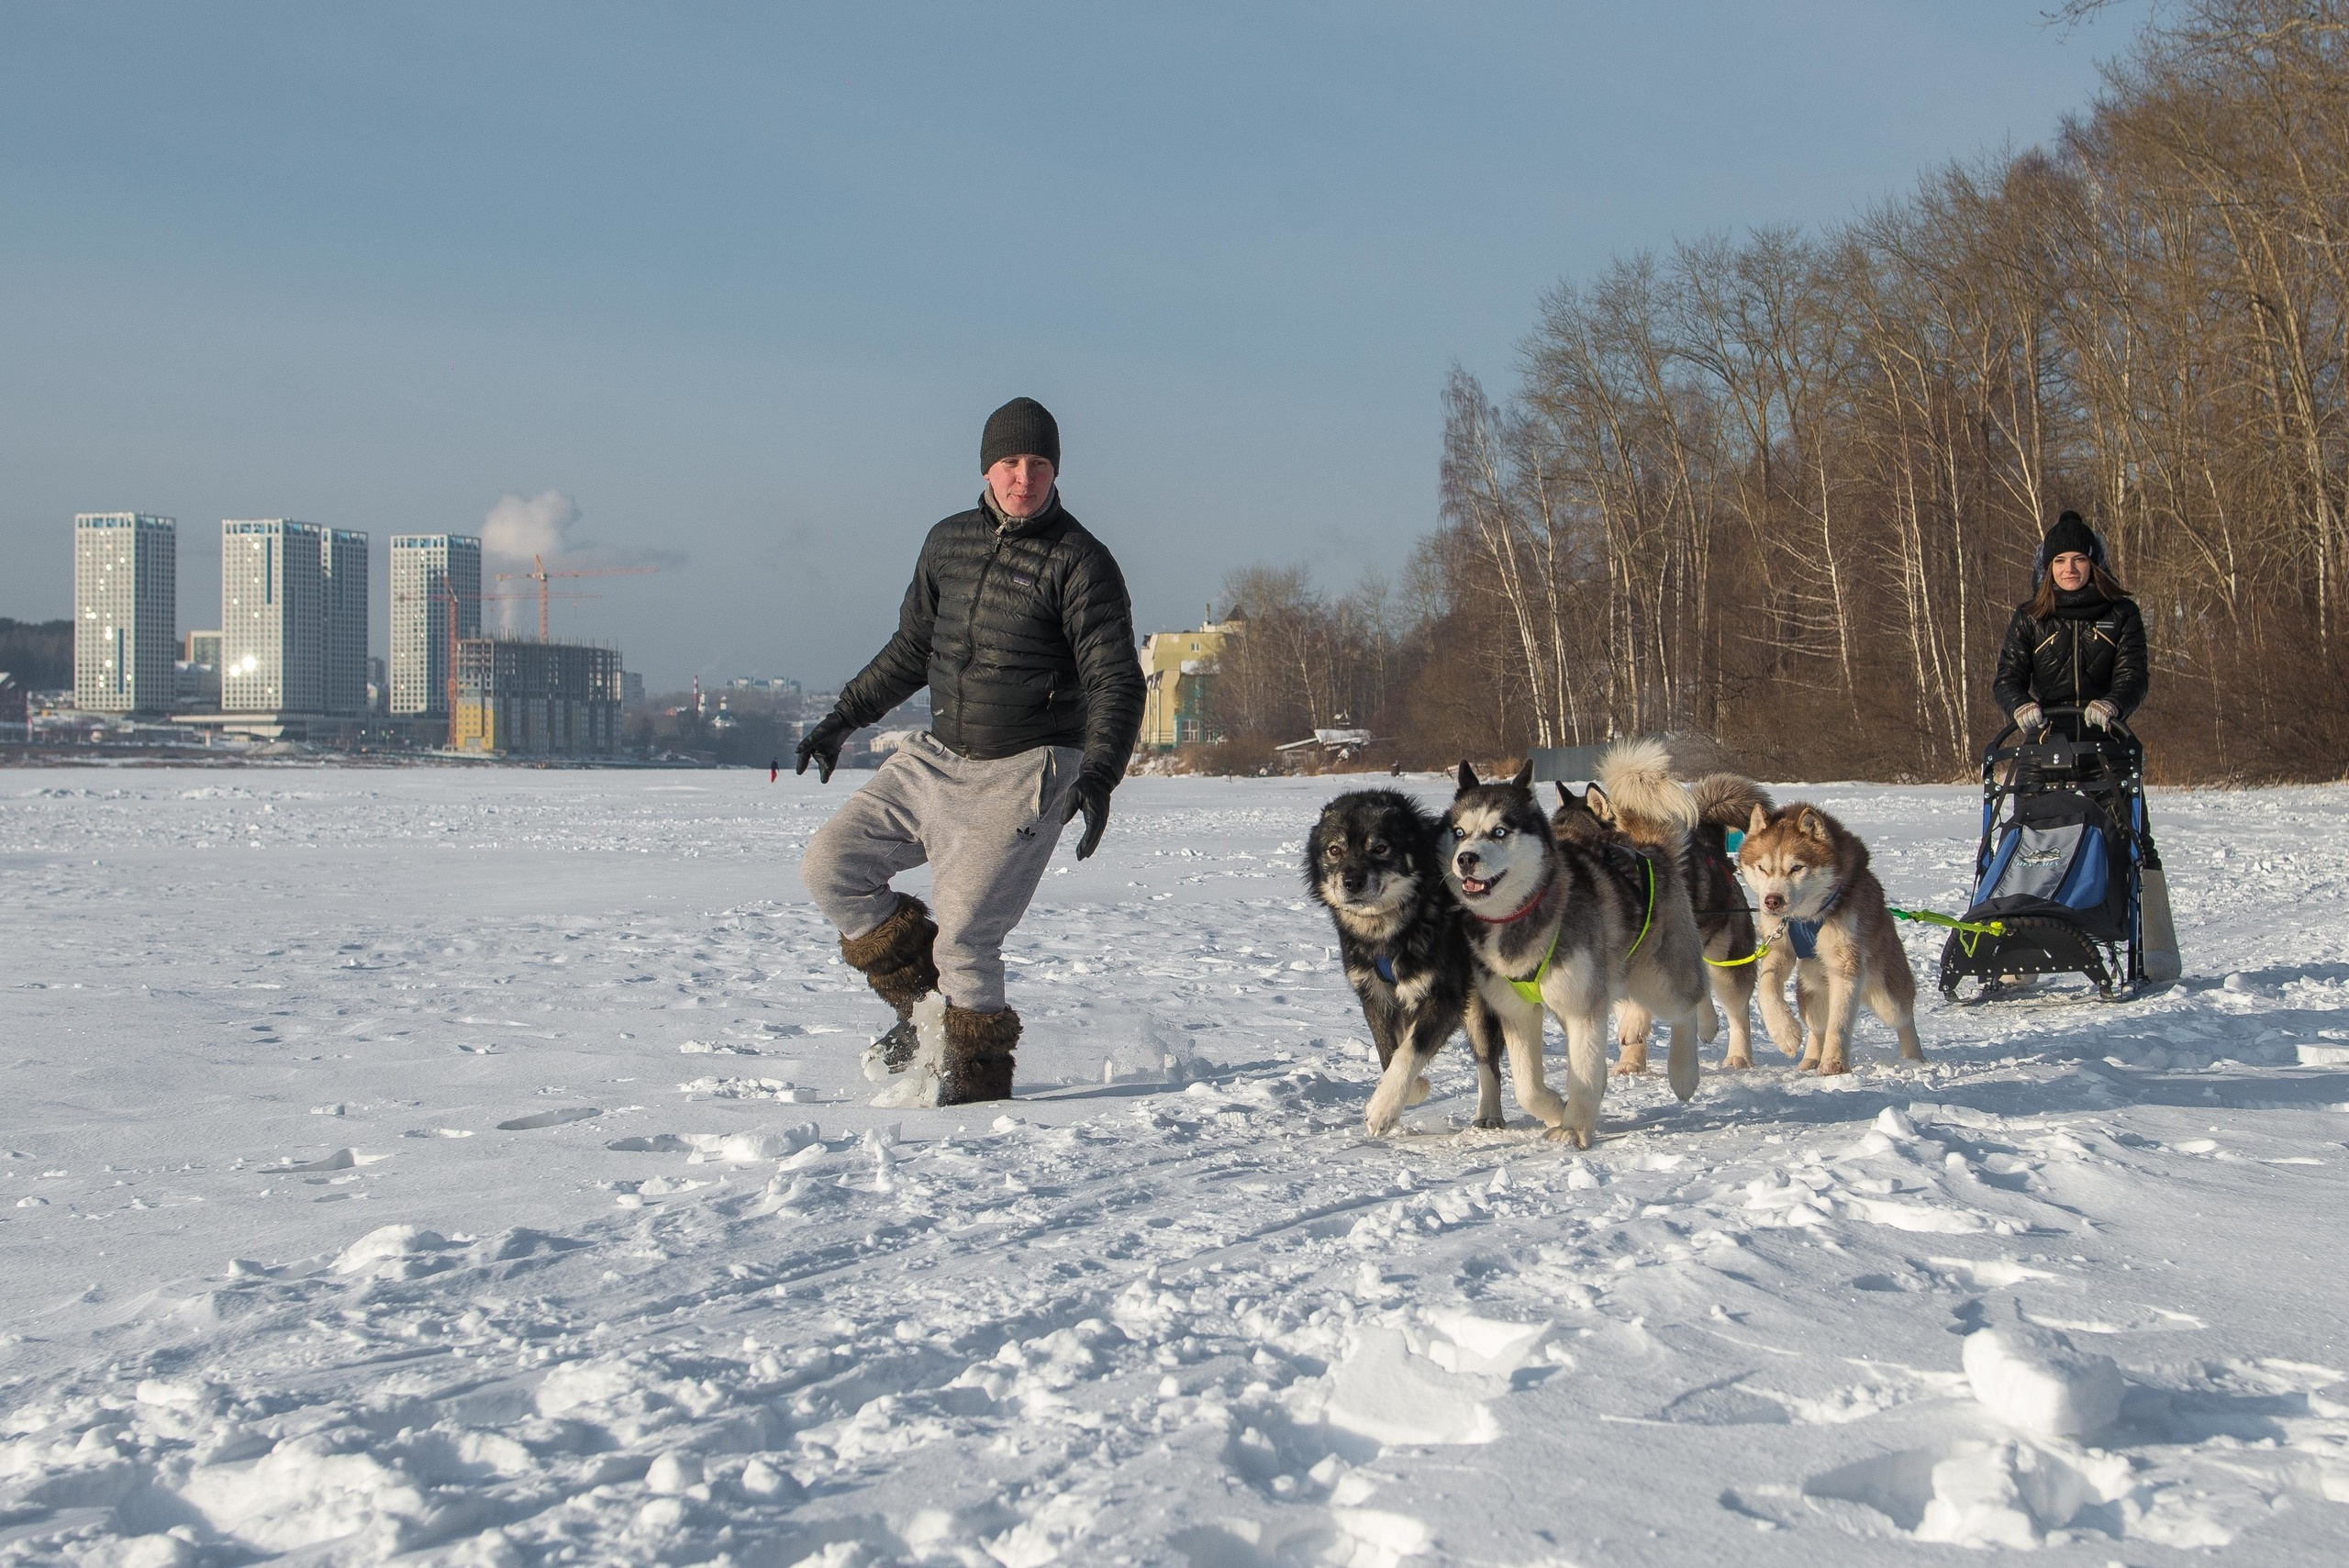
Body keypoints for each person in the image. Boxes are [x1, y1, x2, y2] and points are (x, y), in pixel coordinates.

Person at [794, 397, 1145, 1104]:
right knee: (831, 867)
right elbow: (912, 650)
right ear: (987, 466)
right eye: (1011, 462)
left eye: (1039, 463)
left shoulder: (1081, 562)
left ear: (1055, 471)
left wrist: (1100, 773)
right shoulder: (946, 542)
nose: (1024, 477)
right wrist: (842, 719)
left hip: (1027, 769)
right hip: (937, 757)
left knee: (964, 940)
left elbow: (1115, 678)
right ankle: (927, 1014)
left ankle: (975, 1095)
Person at [1993, 510, 2148, 742]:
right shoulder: (2030, 617)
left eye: (2080, 559)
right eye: (2060, 560)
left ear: (2093, 564)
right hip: (2044, 745)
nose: (2070, 569)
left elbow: (2133, 676)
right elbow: (2008, 678)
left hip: (2106, 745)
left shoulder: (2122, 613)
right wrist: (2021, 705)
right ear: (2048, 568)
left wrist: (2112, 703)